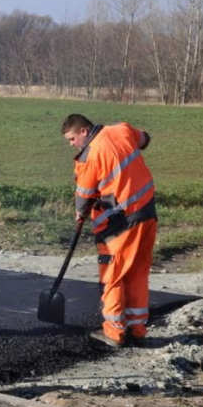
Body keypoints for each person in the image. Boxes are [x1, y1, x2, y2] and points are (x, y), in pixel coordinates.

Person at [61, 113, 157, 348]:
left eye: (72, 139)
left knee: (112, 277)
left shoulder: (90, 156)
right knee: (137, 273)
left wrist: (79, 214)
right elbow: (145, 139)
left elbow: (83, 197)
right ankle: (137, 329)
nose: (71, 144)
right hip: (146, 212)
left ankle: (114, 332)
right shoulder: (122, 129)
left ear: (84, 131)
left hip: (120, 223)